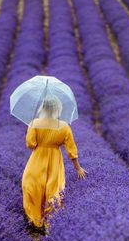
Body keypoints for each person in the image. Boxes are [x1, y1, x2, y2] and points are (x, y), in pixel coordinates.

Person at [21, 95, 87, 232]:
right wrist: (78, 168)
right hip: (55, 161)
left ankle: (35, 221)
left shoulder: (34, 123)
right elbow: (71, 151)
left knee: (32, 187)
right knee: (54, 190)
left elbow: (30, 144)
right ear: (58, 108)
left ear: (42, 107)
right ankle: (50, 224)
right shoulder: (64, 127)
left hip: (37, 160)